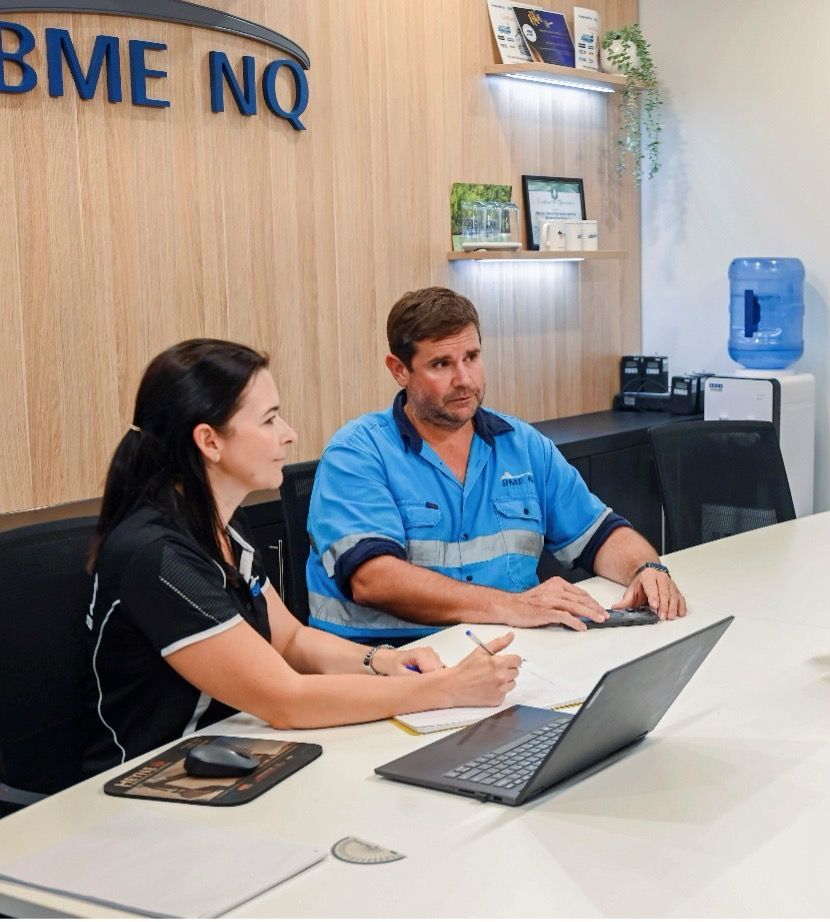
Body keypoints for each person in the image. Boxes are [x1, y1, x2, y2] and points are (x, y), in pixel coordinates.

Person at [84, 339, 521, 776]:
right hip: (151, 782)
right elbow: (285, 700)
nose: (288, 433)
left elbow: (291, 641)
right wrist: (444, 690)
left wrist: (382, 661)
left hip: (238, 750)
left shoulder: (221, 526)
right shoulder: (158, 559)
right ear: (209, 441)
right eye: (270, 419)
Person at [306, 286, 687, 643]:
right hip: (386, 667)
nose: (464, 379)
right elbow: (375, 580)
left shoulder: (521, 445)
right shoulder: (356, 453)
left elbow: (600, 534)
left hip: (502, 654)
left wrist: (646, 568)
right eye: (441, 364)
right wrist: (510, 606)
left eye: (471, 357)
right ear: (399, 370)